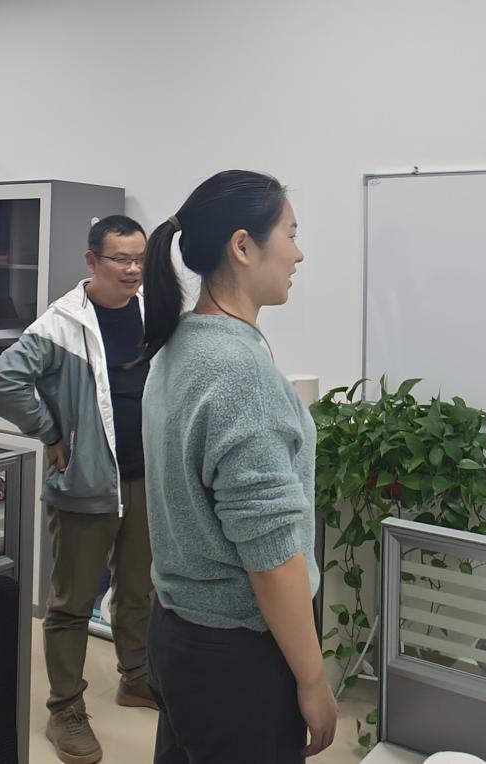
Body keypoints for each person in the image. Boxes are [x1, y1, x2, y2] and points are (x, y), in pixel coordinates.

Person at [139, 170, 336, 763]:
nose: (299, 254)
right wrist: (312, 679)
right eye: (291, 235)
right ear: (243, 246)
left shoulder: (181, 344)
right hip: (238, 652)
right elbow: (272, 558)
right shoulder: (238, 374)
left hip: (179, 630)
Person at [0, 215, 155, 764]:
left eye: (140, 259)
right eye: (120, 259)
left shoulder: (150, 313)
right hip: (84, 484)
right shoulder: (62, 324)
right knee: (71, 604)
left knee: (138, 589)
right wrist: (51, 432)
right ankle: (65, 710)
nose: (132, 270)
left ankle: (136, 677)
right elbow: (2, 382)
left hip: (143, 480)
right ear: (92, 261)